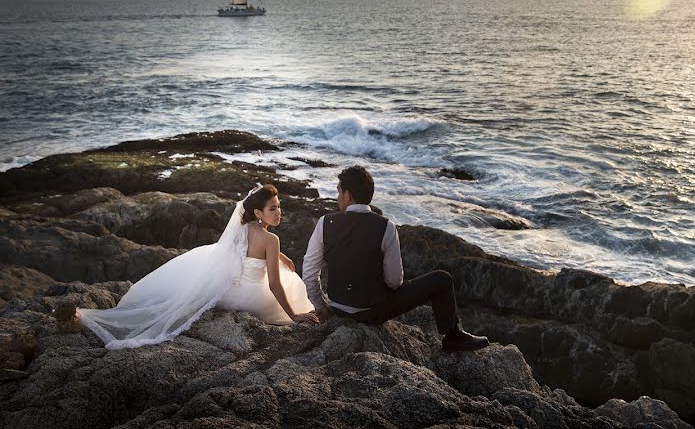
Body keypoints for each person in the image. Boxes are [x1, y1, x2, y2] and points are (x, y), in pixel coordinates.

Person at [77, 184, 318, 349]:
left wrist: (279, 257)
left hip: (228, 293)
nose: (279, 213)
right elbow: (274, 285)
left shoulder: (244, 229)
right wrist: (294, 316)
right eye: (273, 208)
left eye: (279, 207)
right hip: (250, 298)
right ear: (258, 212)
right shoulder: (271, 239)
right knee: (292, 282)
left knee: (203, 259)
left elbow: (248, 250)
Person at [302, 165, 489, 352]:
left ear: (348, 195)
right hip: (373, 312)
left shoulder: (325, 222)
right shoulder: (386, 227)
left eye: (339, 193)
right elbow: (394, 281)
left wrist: (322, 306)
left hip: (339, 309)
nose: (338, 198)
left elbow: (310, 272)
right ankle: (453, 336)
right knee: (442, 278)